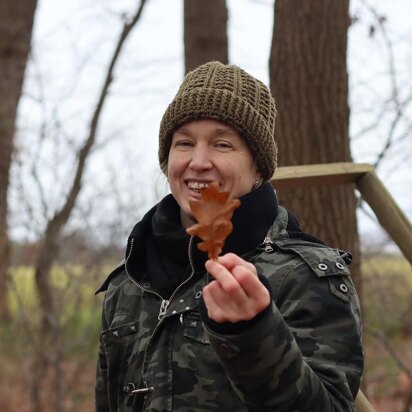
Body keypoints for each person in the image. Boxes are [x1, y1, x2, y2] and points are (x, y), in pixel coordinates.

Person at [95, 61, 364, 411]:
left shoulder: (306, 277)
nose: (199, 161)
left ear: (257, 168)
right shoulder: (130, 277)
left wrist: (253, 333)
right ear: (167, 159)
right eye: (184, 143)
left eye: (222, 144)